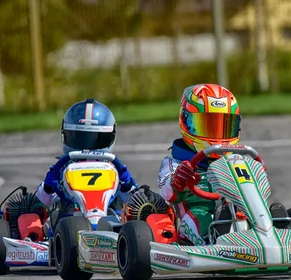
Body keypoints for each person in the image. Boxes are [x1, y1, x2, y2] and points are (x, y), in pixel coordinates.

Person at [157, 84, 243, 245]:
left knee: (256, 212)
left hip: (234, 212)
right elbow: (167, 192)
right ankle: (213, 242)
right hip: (192, 216)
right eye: (207, 125)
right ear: (186, 121)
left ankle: (275, 230)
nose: (216, 135)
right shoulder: (173, 162)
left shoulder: (236, 160)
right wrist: (178, 181)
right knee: (200, 217)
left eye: (224, 126)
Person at [36, 98, 137, 231]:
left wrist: (127, 185)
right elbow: (40, 203)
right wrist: (48, 188)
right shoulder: (62, 170)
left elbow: (136, 203)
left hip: (112, 225)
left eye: (95, 139)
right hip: (69, 227)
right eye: (80, 138)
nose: (87, 148)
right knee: (45, 221)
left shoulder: (114, 170)